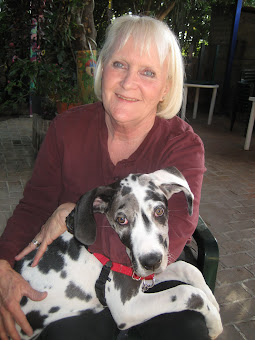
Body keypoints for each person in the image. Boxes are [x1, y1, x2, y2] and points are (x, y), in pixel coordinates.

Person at [0, 15, 207, 340]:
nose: (127, 83)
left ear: (166, 86)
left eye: (148, 72)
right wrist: (2, 266)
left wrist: (75, 219)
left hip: (146, 275)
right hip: (74, 281)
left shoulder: (182, 146)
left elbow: (176, 231)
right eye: (119, 64)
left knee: (188, 330)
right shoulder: (66, 130)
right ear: (101, 69)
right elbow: (33, 207)